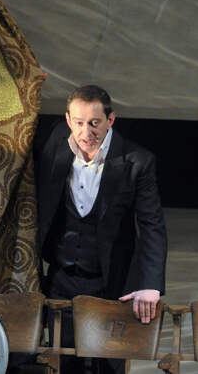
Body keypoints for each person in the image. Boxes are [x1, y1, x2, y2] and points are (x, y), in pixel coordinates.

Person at [37, 85, 167, 373]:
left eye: (95, 123)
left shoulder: (137, 161)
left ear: (110, 120)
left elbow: (151, 224)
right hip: (62, 279)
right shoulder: (52, 145)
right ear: (68, 120)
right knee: (63, 362)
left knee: (109, 365)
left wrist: (151, 285)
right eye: (79, 123)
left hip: (111, 283)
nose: (86, 132)